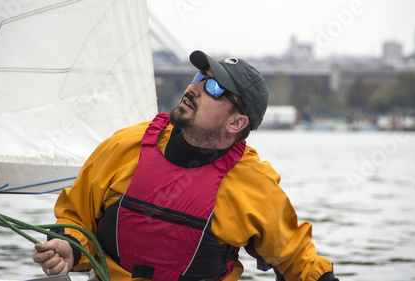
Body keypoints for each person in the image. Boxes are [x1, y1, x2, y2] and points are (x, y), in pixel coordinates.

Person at [33, 50, 338, 281]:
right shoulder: (125, 146)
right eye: (198, 78)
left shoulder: (254, 185)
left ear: (236, 122)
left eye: (214, 88)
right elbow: (75, 216)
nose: (195, 88)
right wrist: (69, 248)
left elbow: (296, 260)